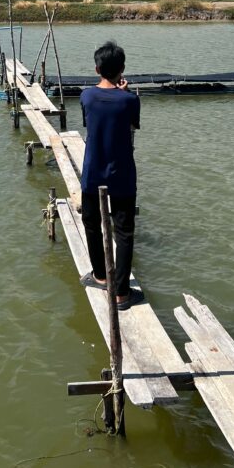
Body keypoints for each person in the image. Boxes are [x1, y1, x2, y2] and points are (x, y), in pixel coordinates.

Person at [79, 40, 143, 311]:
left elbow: (90, 121)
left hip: (93, 173)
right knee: (124, 232)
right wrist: (124, 93)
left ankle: (100, 276)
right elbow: (132, 125)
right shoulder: (130, 100)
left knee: (92, 225)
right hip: (122, 176)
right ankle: (121, 293)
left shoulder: (86, 96)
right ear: (123, 69)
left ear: (97, 69)